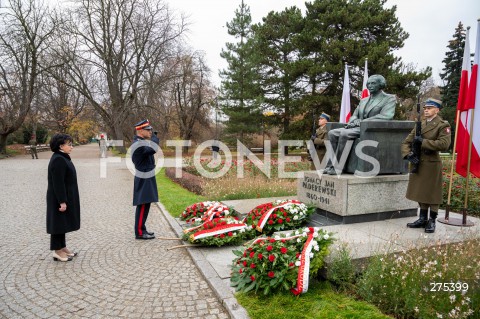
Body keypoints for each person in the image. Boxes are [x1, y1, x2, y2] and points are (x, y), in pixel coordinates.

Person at [324, 74, 396, 175]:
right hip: (358, 127)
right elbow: (353, 116)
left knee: (345, 134)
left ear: (380, 85)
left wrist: (363, 121)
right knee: (332, 133)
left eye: (373, 83)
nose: (370, 86)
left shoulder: (389, 98)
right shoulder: (364, 100)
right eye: (368, 83)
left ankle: (339, 167)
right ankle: (330, 165)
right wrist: (355, 120)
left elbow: (386, 116)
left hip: (372, 129)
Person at [401, 98, 451, 233]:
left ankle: (432, 220)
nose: (426, 110)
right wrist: (408, 155)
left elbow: (444, 144)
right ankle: (422, 218)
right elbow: (406, 142)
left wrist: (423, 142)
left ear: (437, 110)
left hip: (431, 164)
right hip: (418, 162)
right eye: (425, 108)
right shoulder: (420, 124)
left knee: (432, 193)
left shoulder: (443, 125)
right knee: (420, 191)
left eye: (430, 108)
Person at [46, 133, 80, 262]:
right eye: (69, 144)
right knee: (57, 223)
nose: (72, 147)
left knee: (62, 222)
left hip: (66, 195)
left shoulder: (62, 157)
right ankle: (57, 250)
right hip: (58, 198)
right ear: (61, 146)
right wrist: (62, 201)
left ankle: (62, 246)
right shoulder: (58, 159)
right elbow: (57, 182)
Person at [132, 119, 160, 240]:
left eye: (150, 130)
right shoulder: (138, 143)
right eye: (148, 130)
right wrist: (154, 137)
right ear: (140, 130)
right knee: (143, 204)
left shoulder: (141, 142)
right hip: (144, 176)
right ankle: (139, 232)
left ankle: (142, 229)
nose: (150, 132)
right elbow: (153, 149)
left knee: (146, 203)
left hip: (146, 175)